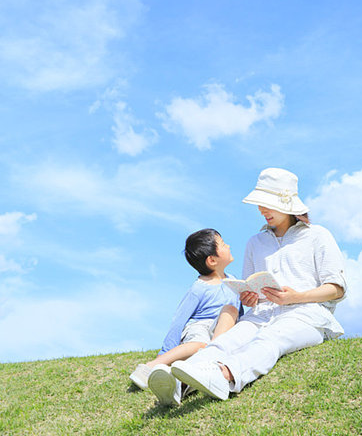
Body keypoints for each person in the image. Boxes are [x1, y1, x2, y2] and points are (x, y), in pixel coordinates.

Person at [171, 168, 347, 401]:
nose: (262, 210)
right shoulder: (255, 242)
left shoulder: (318, 235)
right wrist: (250, 298)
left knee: (271, 339)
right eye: (260, 203)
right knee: (227, 341)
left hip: (307, 316)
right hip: (262, 314)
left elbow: (337, 289)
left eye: (268, 203)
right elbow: (250, 288)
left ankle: (224, 376)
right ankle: (178, 383)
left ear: (287, 203)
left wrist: (294, 297)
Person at [129, 228, 241, 405]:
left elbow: (237, 313)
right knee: (199, 344)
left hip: (221, 330)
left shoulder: (234, 281)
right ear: (212, 260)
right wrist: (165, 353)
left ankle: (214, 355)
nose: (229, 246)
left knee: (231, 310)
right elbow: (179, 320)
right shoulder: (199, 287)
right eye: (223, 244)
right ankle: (152, 367)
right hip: (200, 327)